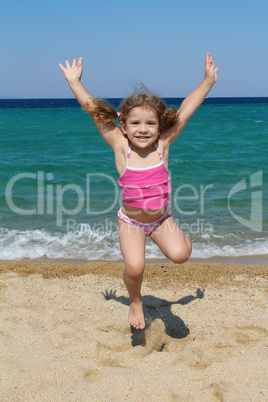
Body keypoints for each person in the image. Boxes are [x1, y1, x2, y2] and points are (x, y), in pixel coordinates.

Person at [59, 53, 218, 330]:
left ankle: (184, 241)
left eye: (150, 124)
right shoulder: (122, 148)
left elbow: (187, 109)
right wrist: (74, 82)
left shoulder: (163, 145)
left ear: (160, 127)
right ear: (123, 126)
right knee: (134, 268)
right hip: (131, 222)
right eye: (135, 123)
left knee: (181, 255)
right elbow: (95, 112)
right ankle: (135, 300)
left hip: (161, 220)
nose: (143, 130)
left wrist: (207, 81)